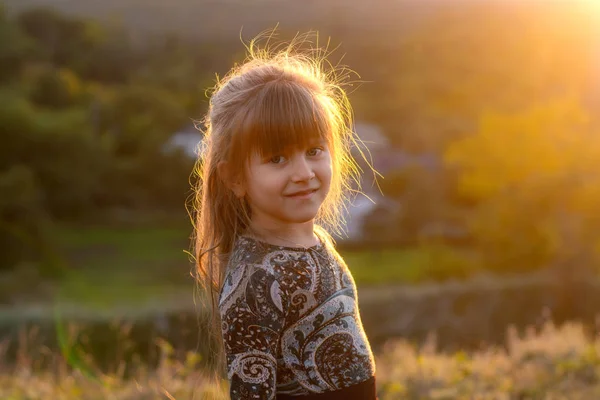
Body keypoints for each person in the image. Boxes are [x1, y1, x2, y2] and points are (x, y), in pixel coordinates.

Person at [192, 33, 377, 399]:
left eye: (313, 150)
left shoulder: (317, 240)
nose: (303, 172)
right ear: (235, 177)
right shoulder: (256, 282)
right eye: (277, 159)